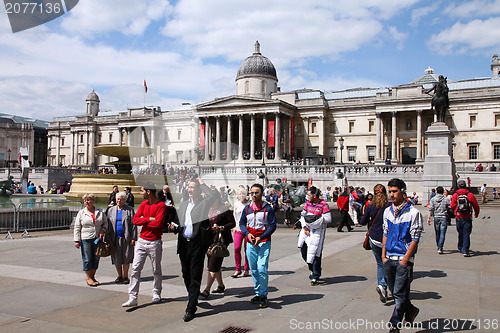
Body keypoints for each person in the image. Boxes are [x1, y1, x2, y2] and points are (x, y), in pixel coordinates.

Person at [169, 178, 214, 322]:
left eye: (193, 187)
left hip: (197, 244)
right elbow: (182, 223)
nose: (189, 190)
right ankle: (193, 296)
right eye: (188, 187)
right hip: (184, 244)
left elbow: (212, 196)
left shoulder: (203, 203)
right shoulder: (184, 205)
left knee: (195, 275)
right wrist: (175, 228)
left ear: (199, 190)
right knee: (185, 274)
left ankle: (191, 307)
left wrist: (202, 183)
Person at [382, 178, 423, 332]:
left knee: (399, 294)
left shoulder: (413, 213)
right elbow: (385, 233)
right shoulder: (387, 211)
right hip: (389, 257)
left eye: (394, 191)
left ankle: (394, 325)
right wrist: (383, 255)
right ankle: (411, 310)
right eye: (390, 191)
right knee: (396, 292)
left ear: (403, 192)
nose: (391, 195)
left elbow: (415, 238)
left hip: (403, 259)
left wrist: (406, 259)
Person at [122, 182, 166, 307]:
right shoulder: (143, 204)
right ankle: (133, 297)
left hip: (155, 241)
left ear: (148, 192)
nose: (140, 193)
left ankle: (156, 293)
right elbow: (135, 220)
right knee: (135, 269)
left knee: (156, 269)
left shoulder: (161, 205)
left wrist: (145, 220)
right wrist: (149, 219)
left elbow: (158, 224)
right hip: (142, 241)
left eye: (141, 191)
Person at [239, 183, 277, 309]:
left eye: (256, 193)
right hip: (250, 241)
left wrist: (262, 237)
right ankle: (258, 292)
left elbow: (272, 225)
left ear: (262, 194)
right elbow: (242, 223)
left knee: (262, 268)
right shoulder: (247, 208)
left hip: (264, 241)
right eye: (252, 193)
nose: (254, 195)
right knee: (253, 269)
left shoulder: (268, 208)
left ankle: (263, 295)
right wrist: (247, 234)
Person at [200, 190, 236, 298]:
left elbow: (232, 223)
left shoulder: (224, 209)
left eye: (212, 200)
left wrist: (222, 227)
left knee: (213, 264)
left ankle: (207, 290)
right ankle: (220, 285)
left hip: (221, 240)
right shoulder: (207, 209)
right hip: (209, 239)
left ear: (217, 199)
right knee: (216, 263)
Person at [360, 184, 390, 303]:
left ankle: (382, 286)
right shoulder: (389, 206)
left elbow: (362, 222)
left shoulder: (371, 206)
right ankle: (384, 285)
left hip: (373, 238)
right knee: (388, 263)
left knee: (379, 264)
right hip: (386, 238)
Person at [297, 186, 331, 286]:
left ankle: (315, 275)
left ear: (314, 196)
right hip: (306, 230)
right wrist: (305, 226)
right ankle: (312, 268)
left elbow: (328, 219)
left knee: (315, 253)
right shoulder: (308, 203)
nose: (307, 196)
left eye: (308, 194)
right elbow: (302, 215)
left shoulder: (323, 205)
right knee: (304, 251)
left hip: (317, 232)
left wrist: (315, 220)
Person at [74, 194, 108, 287]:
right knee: (87, 259)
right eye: (85, 200)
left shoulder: (100, 211)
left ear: (93, 201)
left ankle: (93, 276)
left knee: (96, 258)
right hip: (86, 238)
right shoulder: (81, 213)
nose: (87, 202)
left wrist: (103, 230)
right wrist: (76, 240)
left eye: (89, 200)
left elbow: (105, 223)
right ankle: (88, 277)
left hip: (97, 238)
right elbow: (77, 227)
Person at [107, 192, 137, 284]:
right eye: (118, 199)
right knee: (116, 257)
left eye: (121, 199)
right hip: (114, 237)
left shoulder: (129, 210)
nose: (119, 201)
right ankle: (119, 275)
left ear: (125, 200)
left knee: (126, 257)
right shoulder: (111, 210)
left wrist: (133, 237)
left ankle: (125, 276)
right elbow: (107, 224)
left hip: (126, 237)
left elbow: (134, 224)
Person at [450, 179, 480, 257]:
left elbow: (452, 205)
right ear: (465, 186)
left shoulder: (455, 195)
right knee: (466, 234)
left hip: (458, 216)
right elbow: (476, 205)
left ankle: (460, 247)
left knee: (460, 233)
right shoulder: (470, 195)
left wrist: (455, 211)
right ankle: (465, 250)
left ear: (458, 186)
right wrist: (476, 213)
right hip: (467, 217)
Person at [232, 186, 250, 278]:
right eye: (240, 194)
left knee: (247, 250)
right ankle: (238, 269)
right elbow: (235, 216)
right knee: (236, 248)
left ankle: (246, 269)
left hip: (248, 230)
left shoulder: (250, 204)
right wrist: (235, 226)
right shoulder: (236, 204)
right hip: (238, 229)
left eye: (243, 193)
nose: (241, 195)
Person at [427, 186, 451, 254]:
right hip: (444, 217)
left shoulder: (433, 199)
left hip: (436, 217)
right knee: (442, 233)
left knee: (437, 233)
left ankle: (438, 245)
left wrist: (429, 218)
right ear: (443, 191)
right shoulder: (446, 199)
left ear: (436, 191)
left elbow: (430, 209)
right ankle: (440, 247)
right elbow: (450, 207)